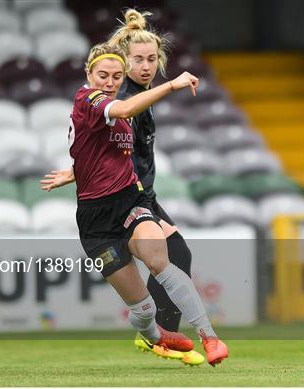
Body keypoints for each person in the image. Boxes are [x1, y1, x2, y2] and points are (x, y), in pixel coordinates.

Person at [41, 41, 229, 367]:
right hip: (96, 220)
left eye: (116, 76)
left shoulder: (118, 108)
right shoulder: (89, 99)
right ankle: (155, 336)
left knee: (163, 261)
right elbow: (124, 111)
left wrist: (75, 171)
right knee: (143, 310)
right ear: (89, 74)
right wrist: (172, 83)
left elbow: (105, 153)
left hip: (131, 201)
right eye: (103, 75)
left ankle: (210, 336)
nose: (110, 82)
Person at [107, 9, 204, 366]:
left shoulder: (139, 95)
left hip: (142, 195)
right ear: (125, 61)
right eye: (138, 59)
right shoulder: (127, 98)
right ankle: (158, 337)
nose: (146, 65)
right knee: (175, 255)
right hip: (125, 198)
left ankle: (156, 335)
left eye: (152, 59)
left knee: (176, 255)